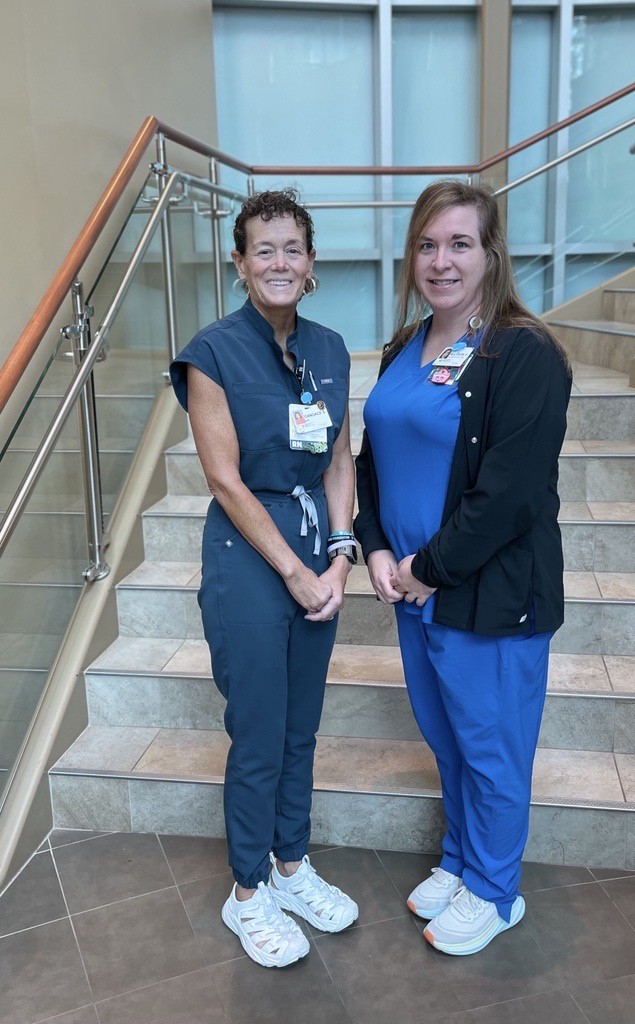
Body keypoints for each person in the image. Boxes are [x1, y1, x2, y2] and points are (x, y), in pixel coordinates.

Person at [355, 179, 571, 957]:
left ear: (490, 253)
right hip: (414, 589)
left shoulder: (523, 353)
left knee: (492, 747)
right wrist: (377, 549)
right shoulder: (403, 347)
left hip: (486, 592)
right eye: (426, 244)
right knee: (448, 740)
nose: (440, 261)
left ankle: (494, 888)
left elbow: (510, 495)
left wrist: (428, 567)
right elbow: (371, 464)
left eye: (459, 244)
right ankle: (460, 858)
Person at [170, 189, 359, 969]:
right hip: (252, 554)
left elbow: (341, 458)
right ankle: (246, 890)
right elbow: (225, 479)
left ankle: (291, 863)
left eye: (293, 249)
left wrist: (340, 555)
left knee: (301, 728)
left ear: (310, 264)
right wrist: (293, 571)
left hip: (320, 544)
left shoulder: (333, 347)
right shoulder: (212, 352)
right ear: (240, 262)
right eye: (264, 249)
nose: (279, 262)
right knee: (259, 730)